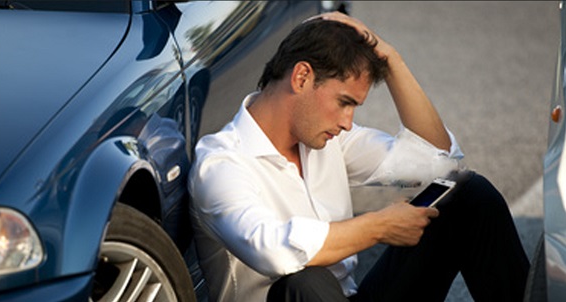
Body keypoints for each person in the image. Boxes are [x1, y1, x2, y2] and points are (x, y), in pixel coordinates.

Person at [188, 12, 529, 302]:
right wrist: (379, 226)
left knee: (467, 193)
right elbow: (273, 251)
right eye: (344, 102)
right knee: (305, 281)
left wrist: (390, 58)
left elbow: (440, 163)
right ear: (302, 76)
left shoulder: (327, 143)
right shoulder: (220, 163)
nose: (347, 122)